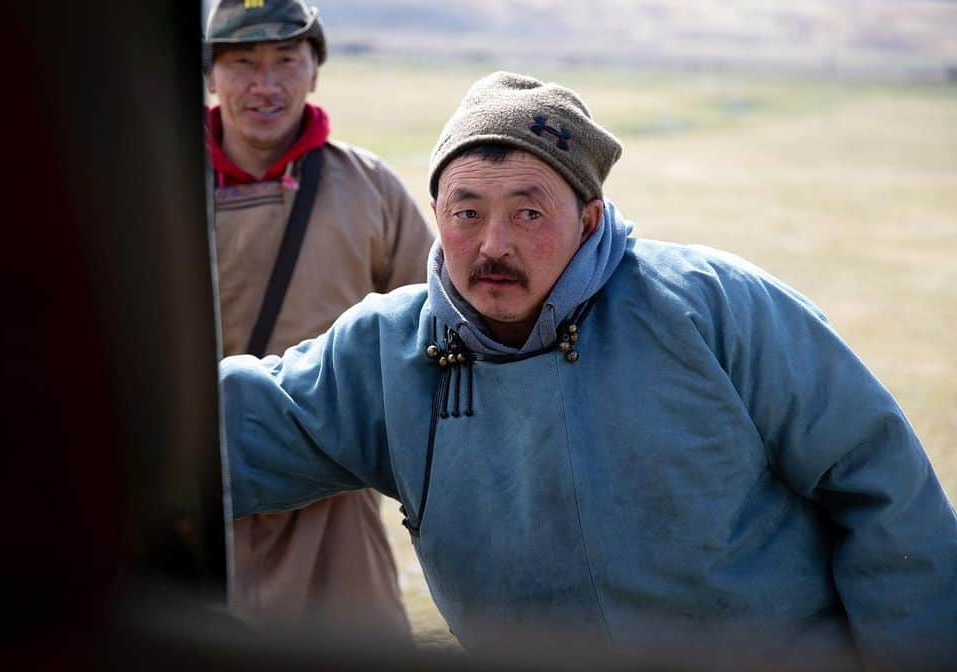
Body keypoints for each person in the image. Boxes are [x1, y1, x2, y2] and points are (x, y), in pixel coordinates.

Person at [220, 71, 957, 667]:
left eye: (529, 213)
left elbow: (883, 488)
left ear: (591, 219)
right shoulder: (388, 355)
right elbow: (238, 432)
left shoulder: (712, 309)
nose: (492, 245)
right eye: (466, 212)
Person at [203, 0, 432, 637]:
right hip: (201, 492)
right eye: (242, 63)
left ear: (315, 70)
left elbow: (434, 327)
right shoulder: (159, 189)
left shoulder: (370, 188)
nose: (264, 84)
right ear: (212, 78)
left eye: (286, 60)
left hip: (332, 498)